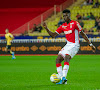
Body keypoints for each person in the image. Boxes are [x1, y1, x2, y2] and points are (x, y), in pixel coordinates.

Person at [43, 9, 96, 85]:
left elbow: (83, 34)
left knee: (67, 57)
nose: (65, 17)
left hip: (75, 45)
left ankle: (64, 77)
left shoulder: (75, 23)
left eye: (66, 15)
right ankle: (62, 79)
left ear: (70, 15)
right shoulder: (63, 26)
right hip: (68, 45)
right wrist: (46, 28)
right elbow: (53, 35)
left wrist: (90, 44)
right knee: (58, 60)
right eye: (64, 16)